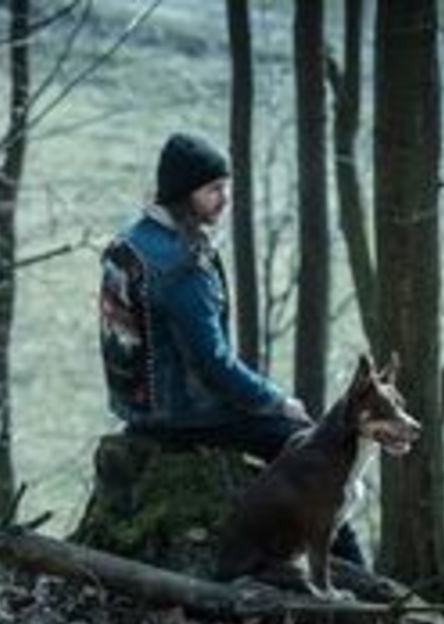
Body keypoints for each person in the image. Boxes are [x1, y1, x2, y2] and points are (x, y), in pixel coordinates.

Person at [99, 132, 364, 565]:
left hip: (137, 410)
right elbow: (215, 365)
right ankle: (354, 570)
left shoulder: (127, 243)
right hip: (182, 415)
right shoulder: (182, 266)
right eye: (213, 189)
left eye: (225, 187)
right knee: (314, 451)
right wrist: (277, 400)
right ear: (184, 192)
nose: (225, 199)